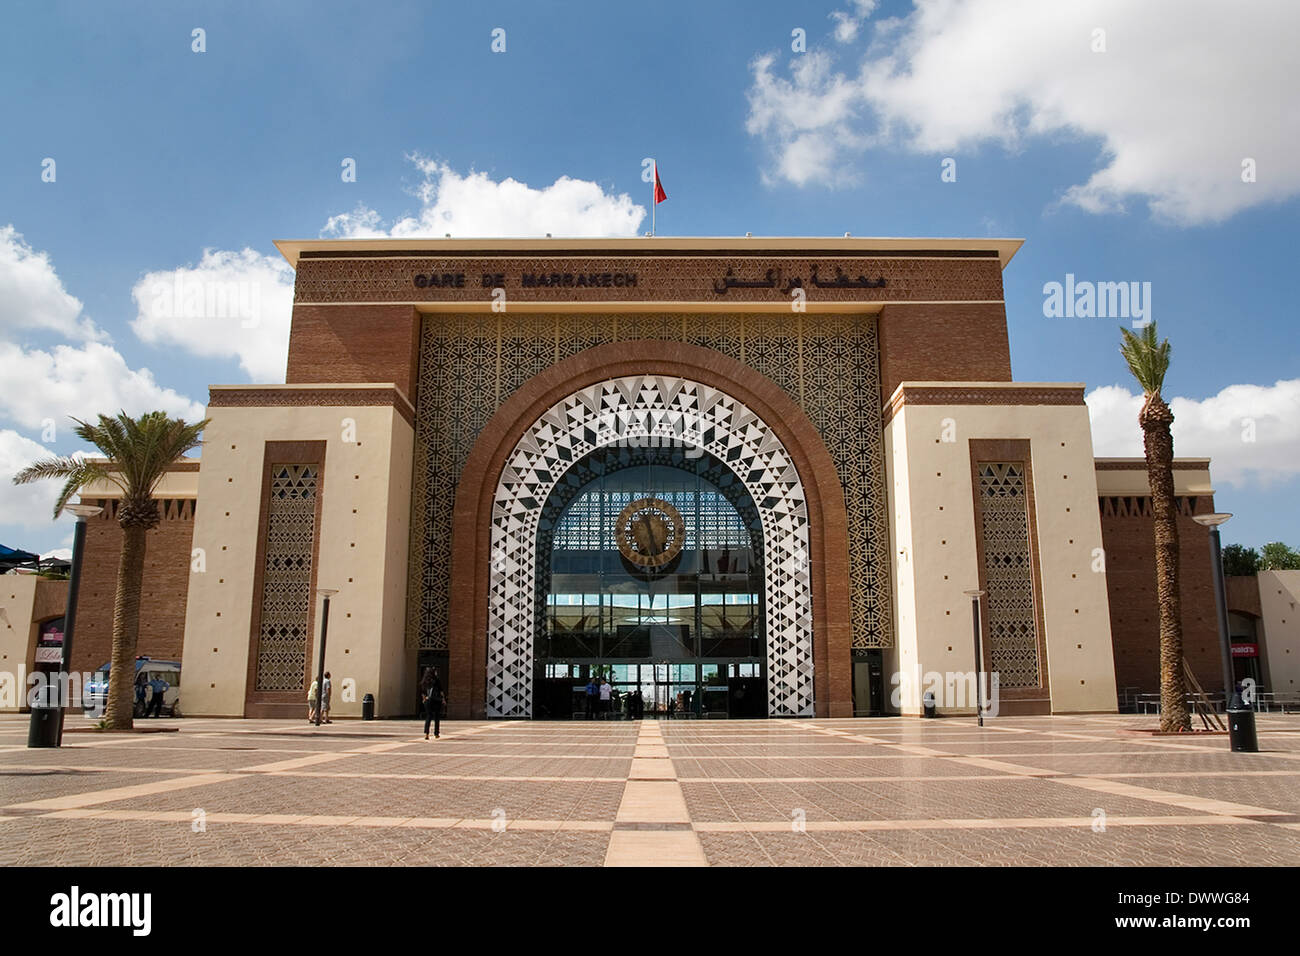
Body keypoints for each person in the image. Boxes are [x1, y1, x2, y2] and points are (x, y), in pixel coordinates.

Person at [420, 667, 444, 739]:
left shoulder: (424, 681)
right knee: (437, 717)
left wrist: (424, 699)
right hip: (436, 700)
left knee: (428, 717)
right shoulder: (436, 680)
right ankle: (436, 733)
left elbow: (422, 692)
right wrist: (443, 699)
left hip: (428, 701)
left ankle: (426, 734)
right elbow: (441, 690)